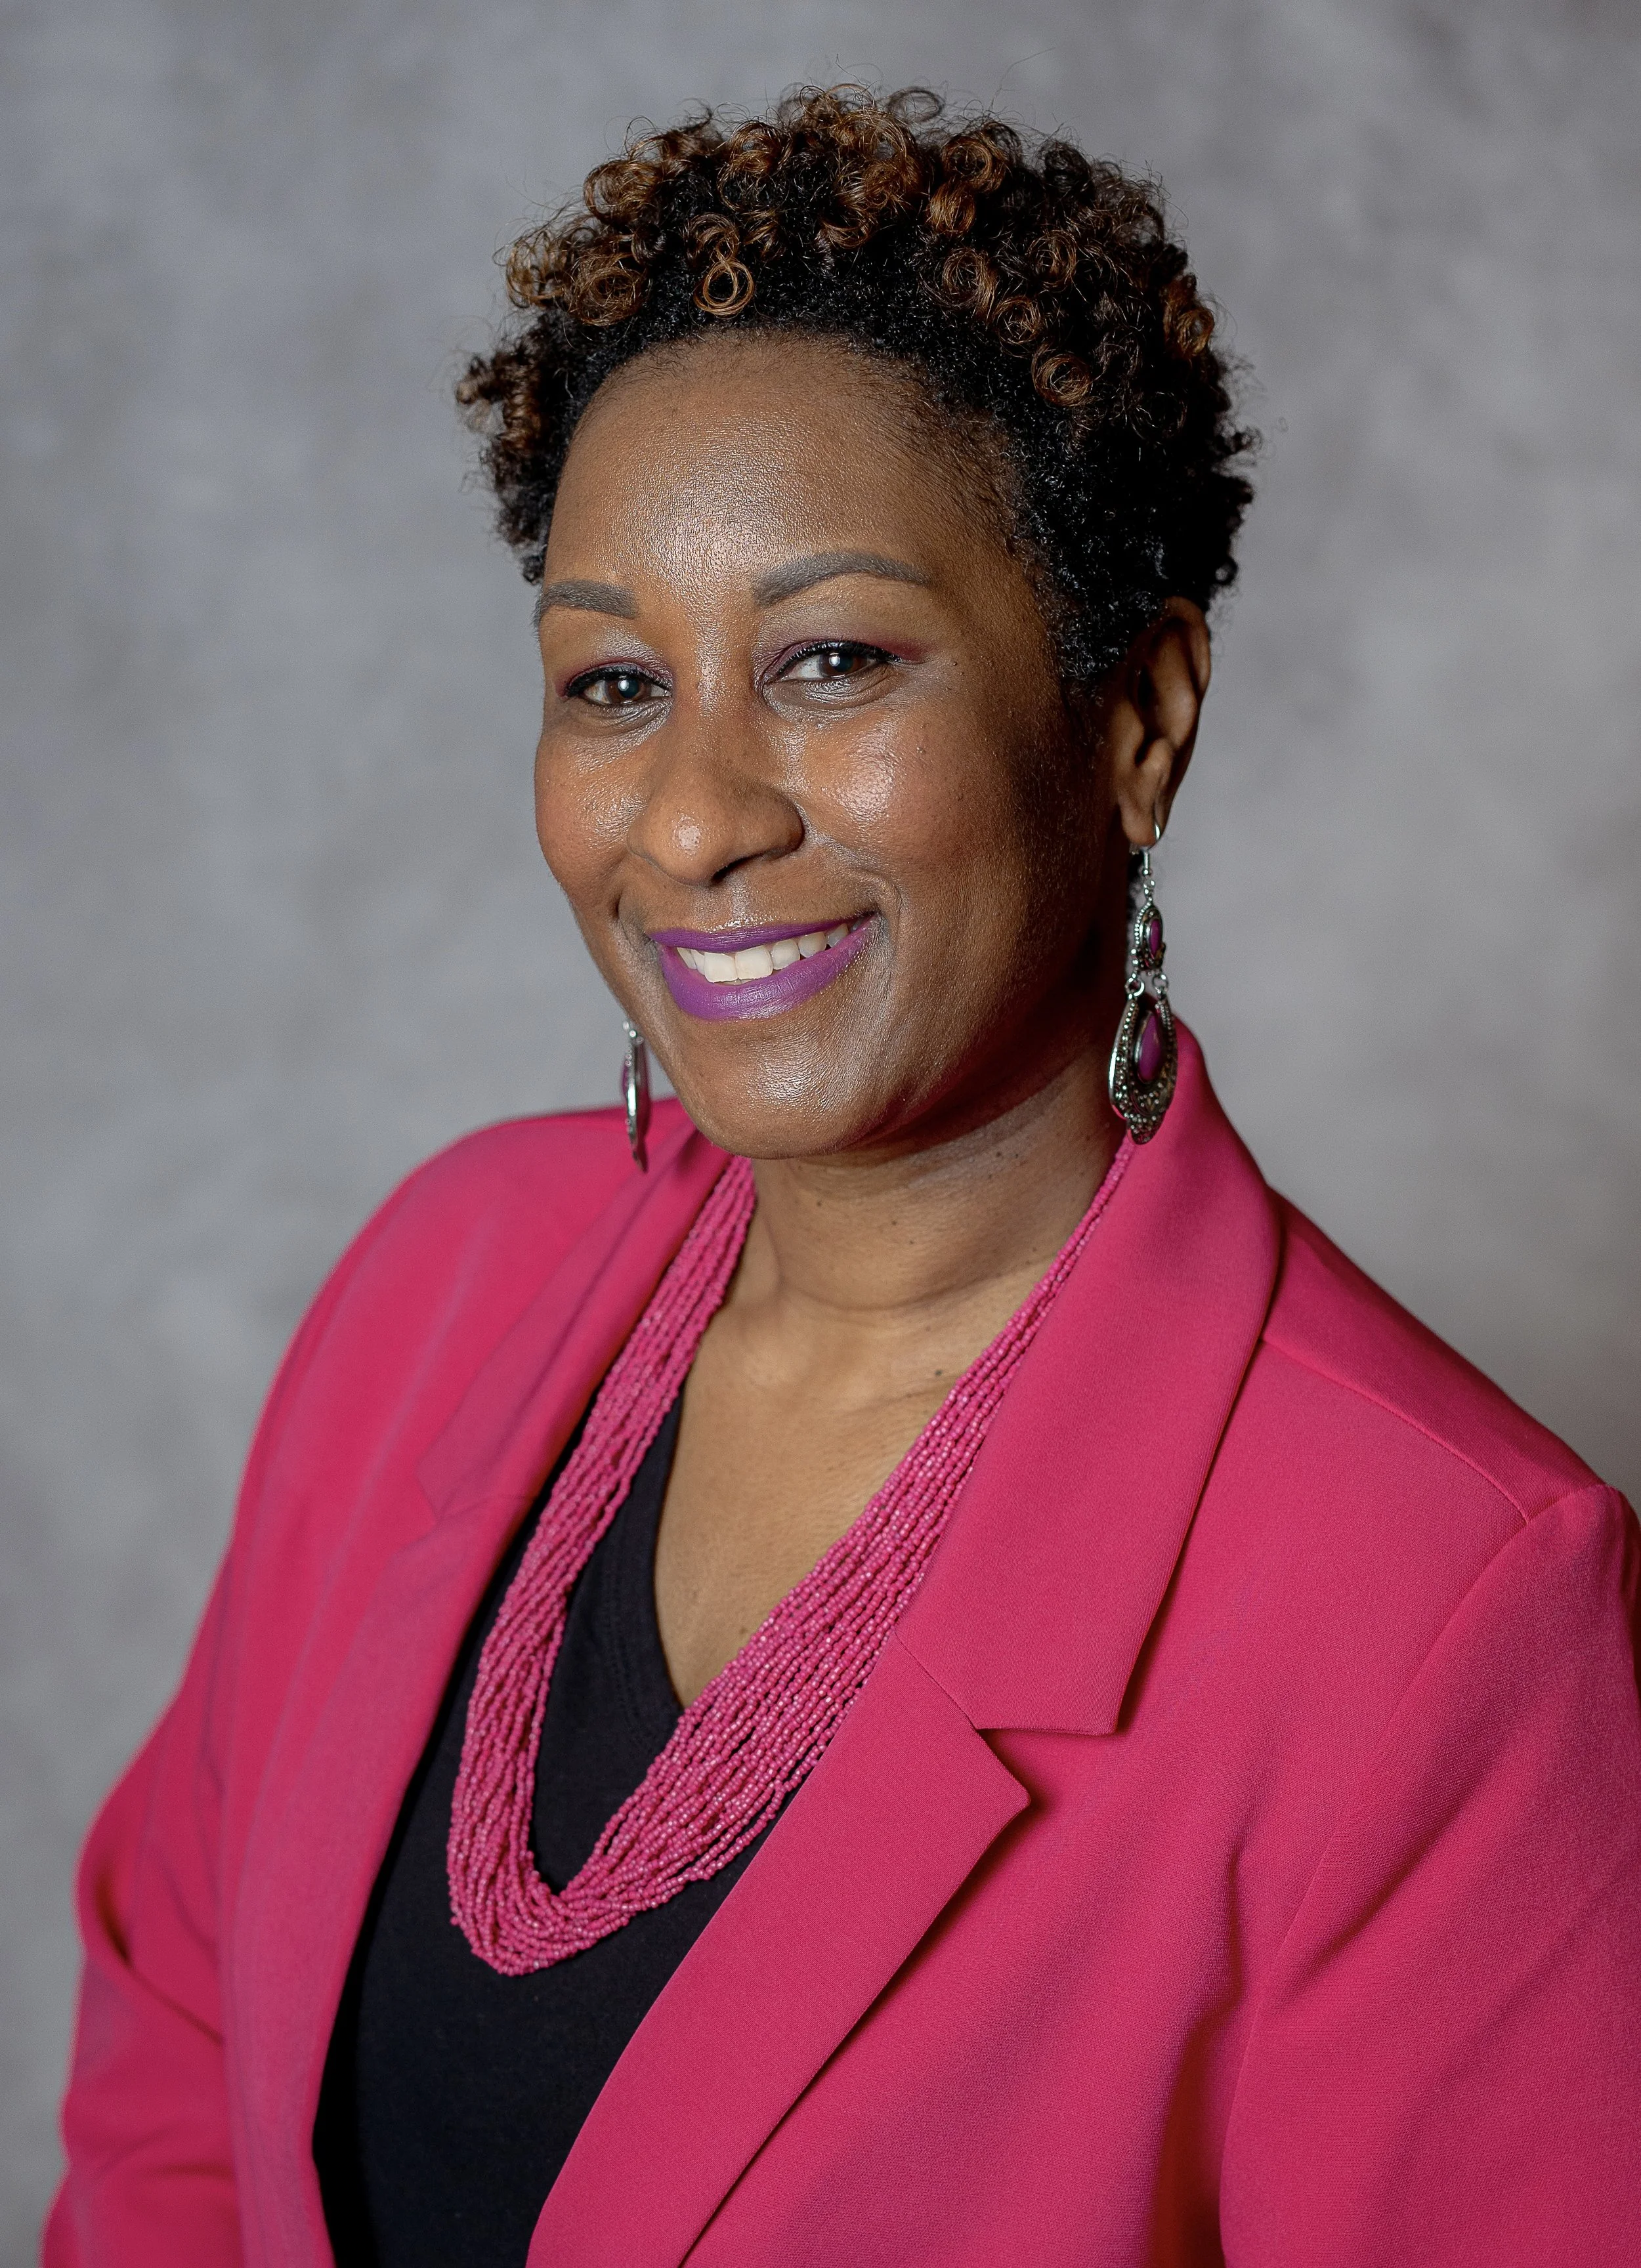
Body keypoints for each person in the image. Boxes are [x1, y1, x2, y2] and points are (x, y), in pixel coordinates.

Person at [47, 86, 1641, 2268]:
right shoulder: (441, 1279)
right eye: (614, 681)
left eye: (830, 661)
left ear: (1139, 718)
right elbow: (174, 2058)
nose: (694, 815)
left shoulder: (1439, 1610)